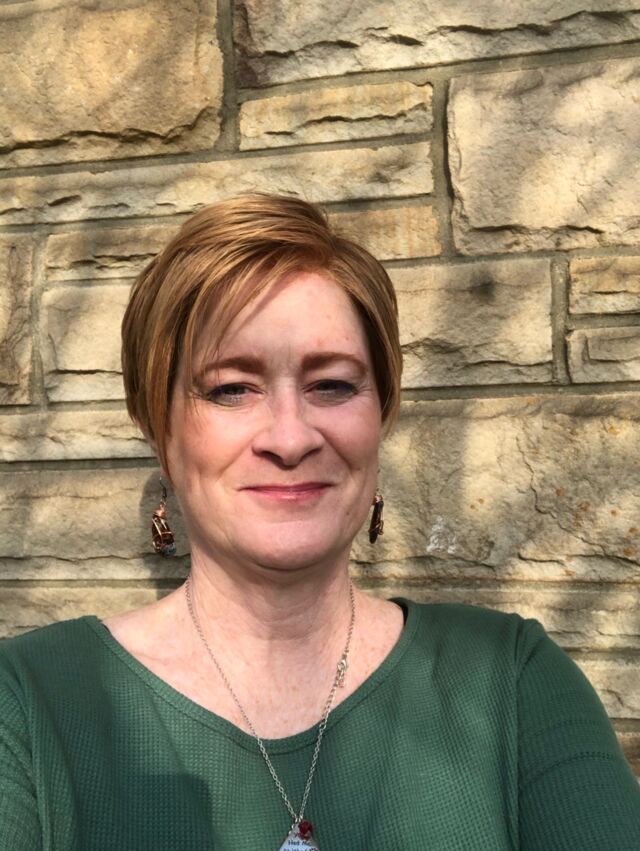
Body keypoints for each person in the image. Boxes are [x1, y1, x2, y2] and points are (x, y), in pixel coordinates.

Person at [1, 193, 639, 851]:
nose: (290, 437)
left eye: (331, 384)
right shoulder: (27, 707)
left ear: (381, 413)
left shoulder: (511, 683)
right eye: (230, 388)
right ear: (155, 426)